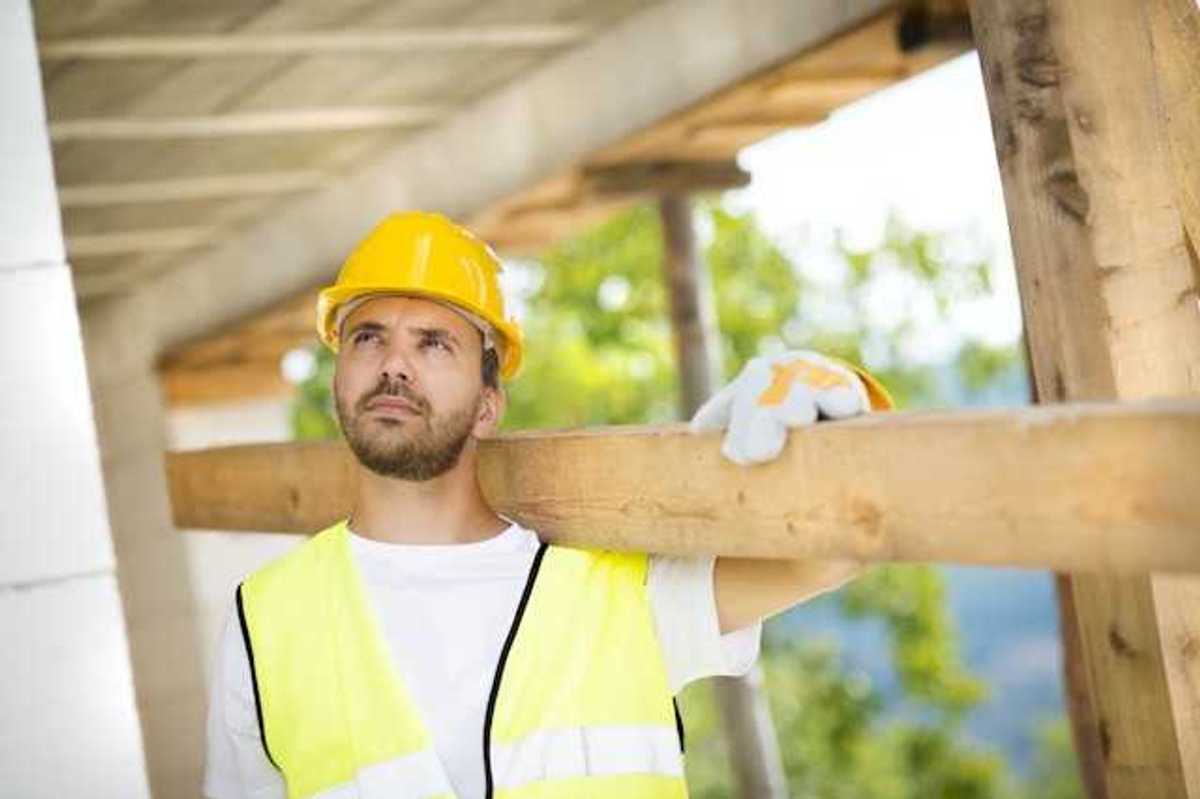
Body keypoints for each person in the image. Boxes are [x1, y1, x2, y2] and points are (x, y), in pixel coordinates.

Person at [203, 211, 892, 799]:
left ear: (487, 406)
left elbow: (835, 551)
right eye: (368, 335)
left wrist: (842, 410)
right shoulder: (264, 622)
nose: (394, 364)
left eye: (433, 342)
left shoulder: (619, 593)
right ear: (338, 376)